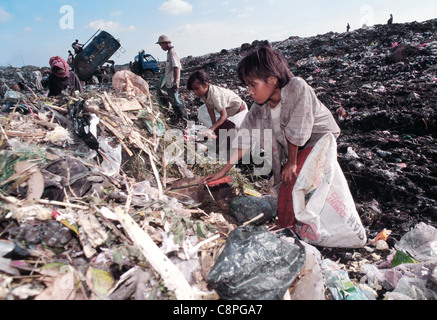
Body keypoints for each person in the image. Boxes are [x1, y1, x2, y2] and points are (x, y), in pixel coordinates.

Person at [201, 45, 341, 230]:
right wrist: (224, 170)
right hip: (297, 146)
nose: (250, 91)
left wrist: (291, 163)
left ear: (272, 79)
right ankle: (288, 222)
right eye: (248, 86)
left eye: (253, 85)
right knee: (288, 185)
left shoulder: (297, 87)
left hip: (319, 139)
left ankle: (287, 226)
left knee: (294, 180)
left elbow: (298, 128)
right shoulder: (259, 107)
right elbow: (245, 138)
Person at [187, 70, 248, 144]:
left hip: (238, 109)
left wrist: (211, 129)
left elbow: (224, 115)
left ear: (205, 85)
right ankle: (219, 146)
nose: (195, 92)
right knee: (220, 131)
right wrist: (214, 127)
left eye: (197, 88)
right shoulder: (203, 94)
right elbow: (210, 110)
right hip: (228, 111)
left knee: (229, 134)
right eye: (193, 89)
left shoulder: (215, 95)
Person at [156, 35, 188, 123]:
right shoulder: (169, 52)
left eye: (161, 45)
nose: (161, 47)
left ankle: (184, 120)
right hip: (169, 81)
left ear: (165, 44)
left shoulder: (172, 52)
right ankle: (178, 119)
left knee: (176, 101)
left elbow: (176, 68)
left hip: (172, 82)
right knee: (172, 100)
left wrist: (175, 82)